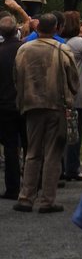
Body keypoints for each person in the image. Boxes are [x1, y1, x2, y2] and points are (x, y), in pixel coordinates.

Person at [12, 12, 79, 212]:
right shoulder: (63, 50)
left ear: (37, 27)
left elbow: (16, 77)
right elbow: (73, 81)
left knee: (32, 151)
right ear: (57, 28)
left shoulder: (23, 49)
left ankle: (26, 196)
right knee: (52, 153)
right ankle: (47, 200)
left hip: (31, 104)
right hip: (56, 106)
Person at [60, 10, 82, 180]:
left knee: (67, 132)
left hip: (67, 93)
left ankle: (65, 166)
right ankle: (73, 168)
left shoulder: (64, 43)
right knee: (76, 133)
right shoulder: (80, 43)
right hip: (80, 92)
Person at [0, 14, 24, 200]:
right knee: (30, 145)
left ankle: (13, 188)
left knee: (10, 147)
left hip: (6, 104)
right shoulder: (25, 49)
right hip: (26, 102)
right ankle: (34, 184)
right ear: (17, 30)